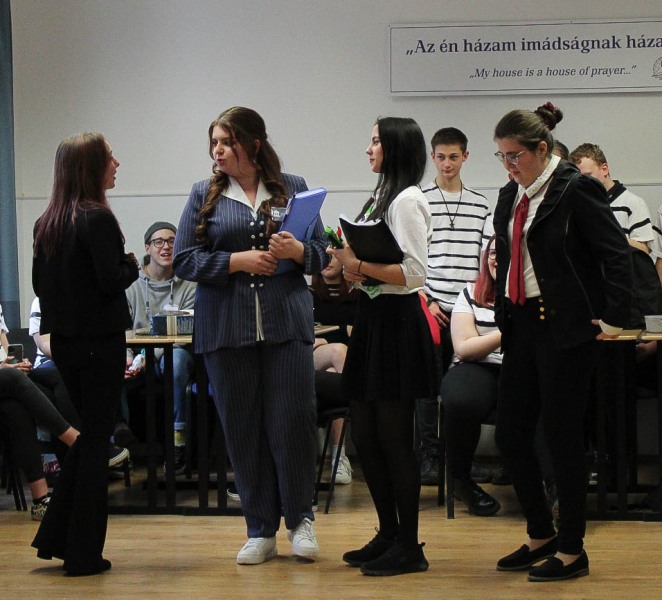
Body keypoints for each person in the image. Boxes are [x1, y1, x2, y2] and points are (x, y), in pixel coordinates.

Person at [173, 106, 328, 565]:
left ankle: (301, 520)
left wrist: (298, 251)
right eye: (214, 143)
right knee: (242, 429)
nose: (218, 151)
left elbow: (322, 253)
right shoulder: (203, 194)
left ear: (253, 144)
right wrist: (235, 262)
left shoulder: (293, 187)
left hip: (286, 325)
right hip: (226, 328)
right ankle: (260, 529)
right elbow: (183, 259)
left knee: (293, 423)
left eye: (227, 142)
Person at [491, 103, 632, 582]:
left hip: (565, 328)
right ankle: (540, 533)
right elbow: (509, 255)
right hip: (521, 324)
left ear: (542, 149)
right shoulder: (511, 194)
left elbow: (616, 254)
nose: (508, 165)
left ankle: (572, 548)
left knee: (561, 437)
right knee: (511, 433)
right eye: (501, 156)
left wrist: (613, 318)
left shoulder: (575, 187)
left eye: (515, 156)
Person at [329, 116, 436, 577]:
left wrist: (358, 266)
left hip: (397, 324)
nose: (368, 149)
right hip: (373, 320)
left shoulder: (408, 200)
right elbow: (373, 267)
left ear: (394, 147)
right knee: (367, 436)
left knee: (394, 438)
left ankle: (410, 545)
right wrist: (347, 266)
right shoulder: (381, 196)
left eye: (375, 141)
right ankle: (388, 533)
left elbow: (414, 274)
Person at [31, 133, 139, 576]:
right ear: (91, 167)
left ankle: (57, 538)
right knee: (95, 443)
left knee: (89, 439)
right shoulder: (97, 219)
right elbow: (112, 279)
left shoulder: (47, 222)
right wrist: (131, 263)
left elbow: (39, 286)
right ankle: (82, 553)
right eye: (109, 157)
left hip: (67, 344)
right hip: (100, 341)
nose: (117, 163)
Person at [418, 127, 493, 486]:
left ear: (465, 156)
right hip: (430, 304)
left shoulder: (480, 204)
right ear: (432, 157)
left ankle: (460, 460)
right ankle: (429, 458)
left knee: (464, 391)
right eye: (440, 157)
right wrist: (427, 299)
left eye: (453, 157)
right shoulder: (419, 200)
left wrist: (477, 304)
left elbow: (486, 259)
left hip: (468, 310)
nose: (447, 164)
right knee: (428, 388)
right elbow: (409, 257)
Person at [123, 221, 196, 472]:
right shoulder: (130, 284)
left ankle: (178, 443)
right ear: (147, 248)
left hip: (173, 352)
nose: (166, 247)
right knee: (107, 365)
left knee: (176, 360)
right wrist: (128, 356)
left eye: (172, 241)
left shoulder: (189, 284)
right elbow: (123, 328)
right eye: (159, 242)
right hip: (135, 355)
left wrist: (149, 355)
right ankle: (118, 447)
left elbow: (182, 331)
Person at [28, 297, 129, 468]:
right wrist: (79, 357)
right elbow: (44, 344)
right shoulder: (42, 300)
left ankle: (115, 433)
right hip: (50, 362)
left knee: (108, 370)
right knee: (70, 376)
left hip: (85, 359)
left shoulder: (86, 298)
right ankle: (90, 447)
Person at [441, 235, 501, 517]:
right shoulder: (470, 292)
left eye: (504, 253)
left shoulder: (532, 293)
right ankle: (461, 481)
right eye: (492, 253)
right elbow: (464, 348)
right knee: (461, 399)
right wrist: (506, 333)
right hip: (476, 365)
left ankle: (552, 487)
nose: (497, 259)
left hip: (520, 367)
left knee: (544, 396)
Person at [310, 255, 359, 485]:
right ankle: (363, 419)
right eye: (322, 256)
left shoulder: (356, 296)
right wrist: (341, 330)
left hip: (345, 364)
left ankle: (338, 456)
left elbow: (359, 334)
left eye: (333, 256)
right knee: (338, 350)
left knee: (333, 372)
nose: (328, 261)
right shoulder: (307, 294)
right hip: (312, 355)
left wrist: (336, 334)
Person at [569, 142, 654, 256]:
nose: (583, 182)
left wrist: (610, 235)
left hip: (621, 266)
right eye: (578, 178)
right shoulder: (576, 203)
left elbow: (643, 250)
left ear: (604, 169)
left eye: (588, 175)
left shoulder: (633, 203)